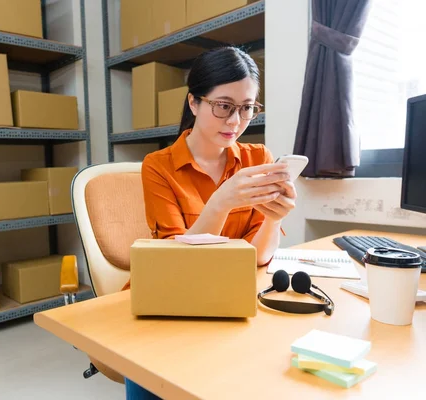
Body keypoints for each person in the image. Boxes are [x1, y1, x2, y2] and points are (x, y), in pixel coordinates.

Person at [123, 46, 297, 399]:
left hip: (228, 300)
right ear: (194, 103)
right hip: (169, 302)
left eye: (247, 108)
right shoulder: (157, 166)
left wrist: (271, 219)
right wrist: (219, 203)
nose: (235, 121)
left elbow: (259, 258)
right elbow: (179, 267)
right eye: (223, 106)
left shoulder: (257, 157)